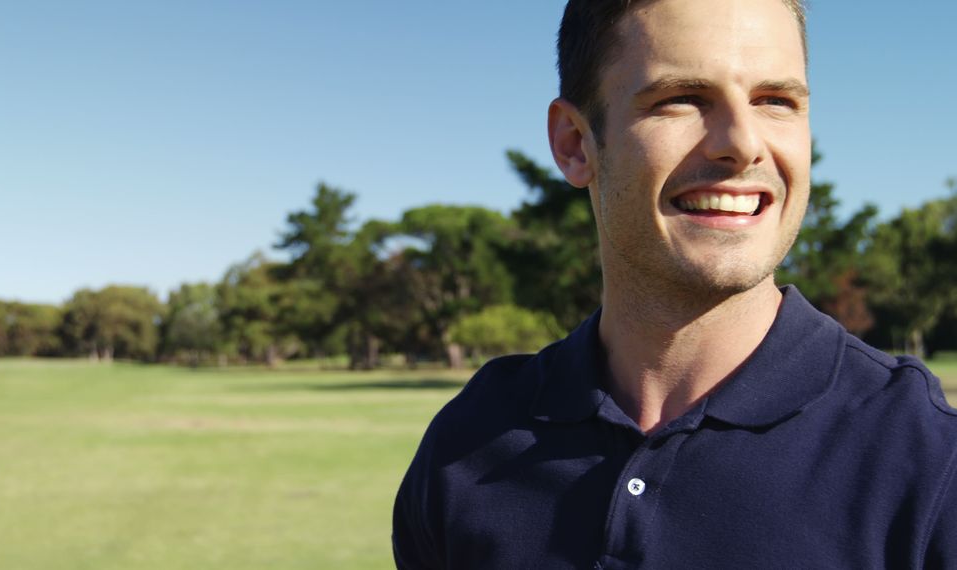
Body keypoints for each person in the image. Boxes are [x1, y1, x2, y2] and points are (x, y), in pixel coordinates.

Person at [392, 0, 957, 567]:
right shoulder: (471, 441)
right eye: (682, 98)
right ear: (573, 143)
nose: (742, 142)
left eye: (775, 101)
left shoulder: (927, 461)